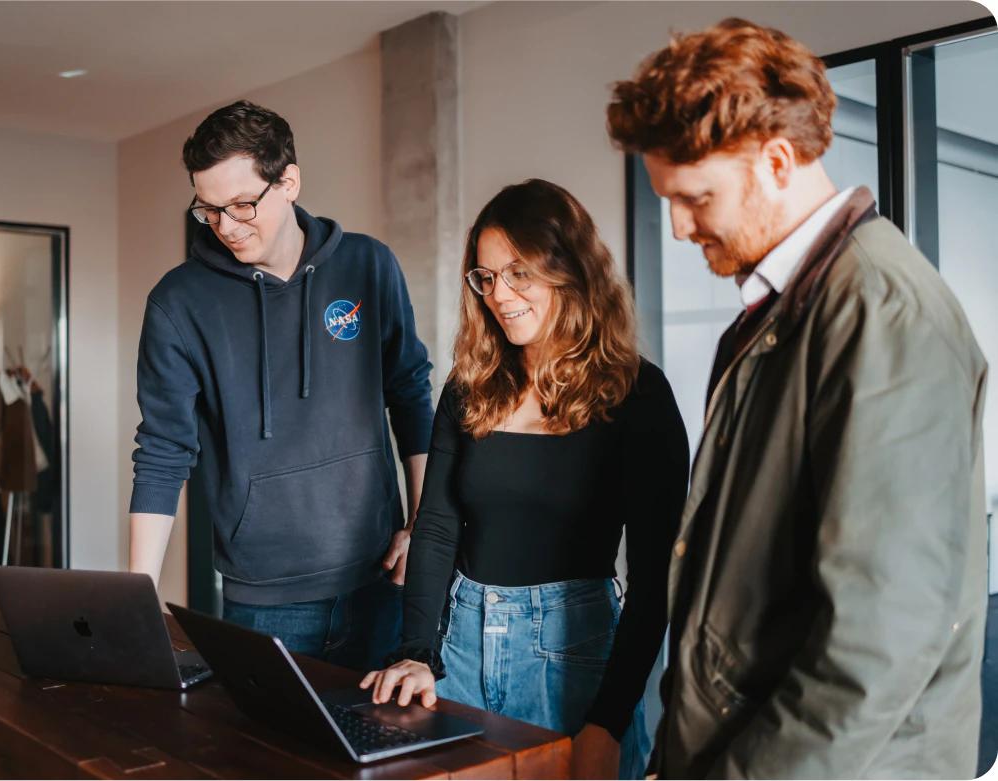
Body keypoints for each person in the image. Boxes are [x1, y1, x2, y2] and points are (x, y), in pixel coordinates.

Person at [606, 18, 988, 779]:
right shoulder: (783, 311)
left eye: (695, 197)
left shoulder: (882, 313)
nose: (678, 227)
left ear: (776, 161)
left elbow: (875, 642)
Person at [360, 179, 690, 779]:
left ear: (570, 271)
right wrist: (415, 653)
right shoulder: (470, 388)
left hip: (578, 656)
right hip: (458, 646)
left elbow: (656, 582)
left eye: (519, 274)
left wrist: (608, 720)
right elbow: (435, 527)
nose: (499, 295)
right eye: (485, 278)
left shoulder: (640, 395)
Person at [128, 101, 433, 672]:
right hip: (263, 601)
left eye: (242, 204)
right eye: (209, 210)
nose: (227, 226)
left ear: (288, 181)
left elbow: (411, 396)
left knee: (386, 761)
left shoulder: (369, 266)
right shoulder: (178, 303)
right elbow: (163, 451)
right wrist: (137, 600)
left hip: (382, 582)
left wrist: (423, 528)